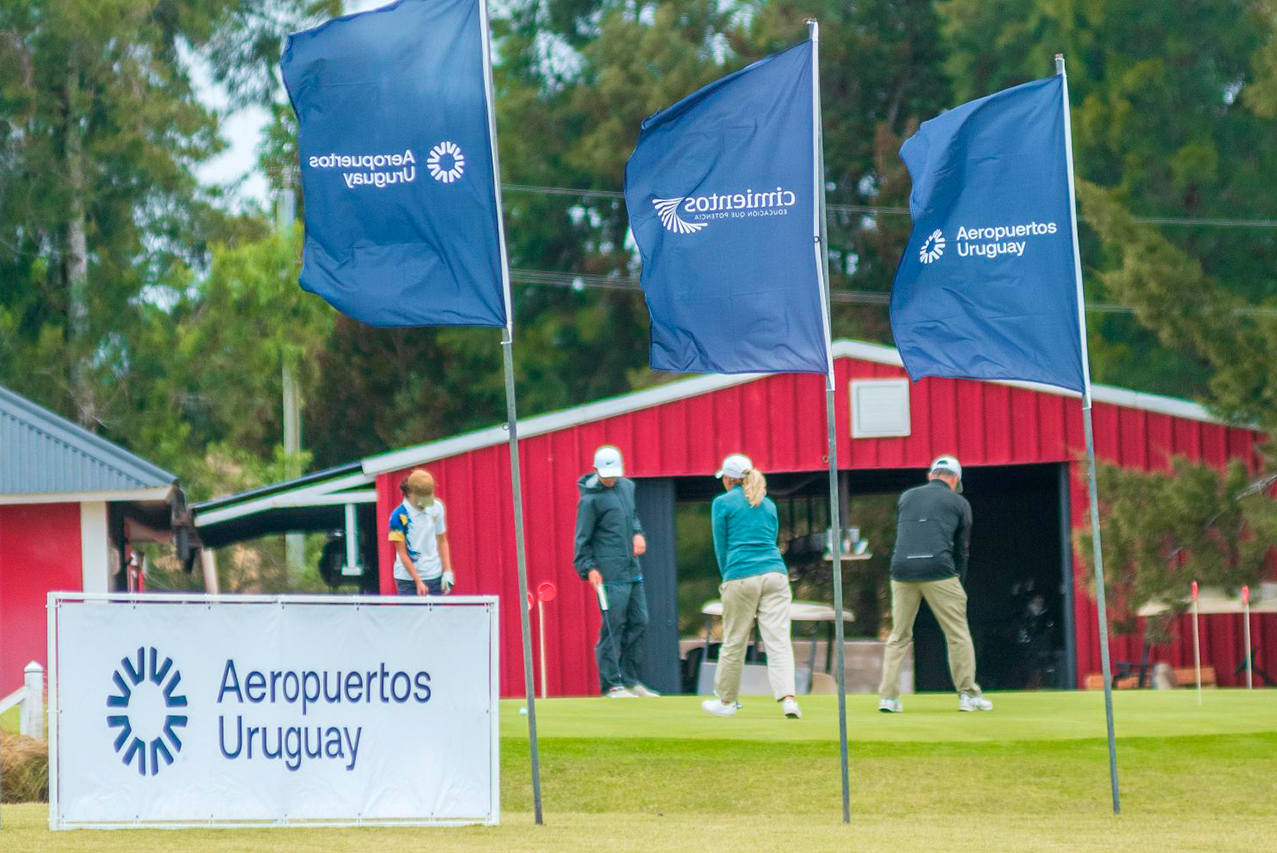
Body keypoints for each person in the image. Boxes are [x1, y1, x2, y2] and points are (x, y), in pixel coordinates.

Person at [878, 455, 992, 713]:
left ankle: (888, 698)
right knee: (957, 634)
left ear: (931, 475)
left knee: (899, 635)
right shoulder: (960, 502)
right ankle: (968, 695)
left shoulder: (907, 497)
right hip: (938, 570)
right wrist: (958, 582)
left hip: (902, 569)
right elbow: (962, 550)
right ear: (954, 480)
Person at [702, 454, 801, 720]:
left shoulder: (722, 503)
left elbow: (720, 546)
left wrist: (727, 577)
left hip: (741, 575)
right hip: (776, 576)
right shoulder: (768, 505)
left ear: (729, 478)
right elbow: (772, 538)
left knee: (734, 641)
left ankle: (726, 702)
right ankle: (789, 699)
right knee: (778, 640)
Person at [573, 445, 659, 699]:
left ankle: (631, 680)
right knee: (613, 626)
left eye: (614, 474)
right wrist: (588, 568)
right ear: (596, 470)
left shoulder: (627, 487)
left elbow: (632, 516)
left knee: (640, 621)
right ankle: (612, 684)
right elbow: (582, 539)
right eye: (606, 474)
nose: (611, 478)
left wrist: (638, 533)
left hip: (632, 569)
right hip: (608, 573)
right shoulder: (589, 500)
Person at [387, 469, 455, 596]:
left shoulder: (437, 507)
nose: (428, 500)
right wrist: (418, 581)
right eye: (423, 496)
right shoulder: (397, 516)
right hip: (408, 580)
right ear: (411, 492)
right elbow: (402, 553)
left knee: (435, 616)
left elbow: (442, 540)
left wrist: (447, 571)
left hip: (434, 576)